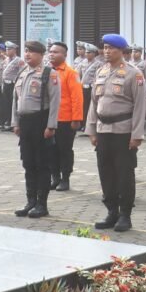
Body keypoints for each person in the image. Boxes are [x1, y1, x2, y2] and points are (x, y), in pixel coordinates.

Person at [86, 34, 146, 232]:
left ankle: (125, 215)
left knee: (124, 174)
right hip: (103, 130)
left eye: (111, 48)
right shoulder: (101, 71)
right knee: (106, 173)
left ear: (122, 51)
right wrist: (92, 129)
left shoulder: (133, 74)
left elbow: (139, 107)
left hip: (123, 131)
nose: (107, 51)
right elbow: (94, 103)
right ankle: (111, 211)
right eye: (104, 47)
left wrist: (136, 135)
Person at [11, 41, 61, 218]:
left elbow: (55, 101)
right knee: (28, 163)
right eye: (26, 51)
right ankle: (30, 201)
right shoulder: (22, 73)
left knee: (42, 164)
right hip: (25, 123)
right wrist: (15, 122)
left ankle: (42, 204)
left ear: (41, 55)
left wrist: (51, 125)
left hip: (41, 122)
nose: (27, 55)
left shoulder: (49, 73)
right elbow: (15, 100)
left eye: (31, 52)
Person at [47, 41, 83, 192]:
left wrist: (76, 119)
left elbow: (77, 97)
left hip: (65, 119)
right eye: (51, 51)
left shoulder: (70, 73)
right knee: (51, 150)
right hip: (50, 119)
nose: (52, 54)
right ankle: (54, 177)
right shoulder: (46, 71)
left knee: (64, 150)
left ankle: (65, 179)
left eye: (56, 52)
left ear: (65, 55)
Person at [0, 42, 25, 131]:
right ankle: (8, 122)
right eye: (6, 49)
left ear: (14, 50)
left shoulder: (19, 61)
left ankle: (14, 123)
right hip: (6, 84)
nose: (7, 51)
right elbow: (3, 71)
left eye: (9, 49)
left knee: (13, 104)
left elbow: (22, 73)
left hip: (13, 84)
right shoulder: (6, 60)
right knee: (6, 104)